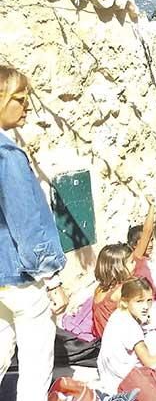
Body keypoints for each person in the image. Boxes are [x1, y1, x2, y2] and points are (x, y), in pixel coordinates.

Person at [0, 65, 68, 401]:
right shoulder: (8, 156)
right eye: (19, 98)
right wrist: (53, 281)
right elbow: (26, 224)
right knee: (35, 370)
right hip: (22, 277)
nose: (26, 106)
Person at [98, 278, 156, 393]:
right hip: (122, 380)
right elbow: (149, 362)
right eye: (139, 301)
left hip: (108, 374)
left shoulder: (118, 314)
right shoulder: (130, 326)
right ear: (125, 301)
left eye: (149, 300)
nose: (146, 306)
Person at [92, 243, 135, 338]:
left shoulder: (100, 287)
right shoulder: (121, 291)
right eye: (132, 262)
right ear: (119, 268)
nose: (135, 264)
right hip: (115, 340)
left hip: (101, 338)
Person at [127, 202, 156, 300]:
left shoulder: (147, 259)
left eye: (152, 240)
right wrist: (152, 206)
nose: (150, 245)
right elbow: (147, 231)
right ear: (134, 245)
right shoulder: (136, 257)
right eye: (146, 242)